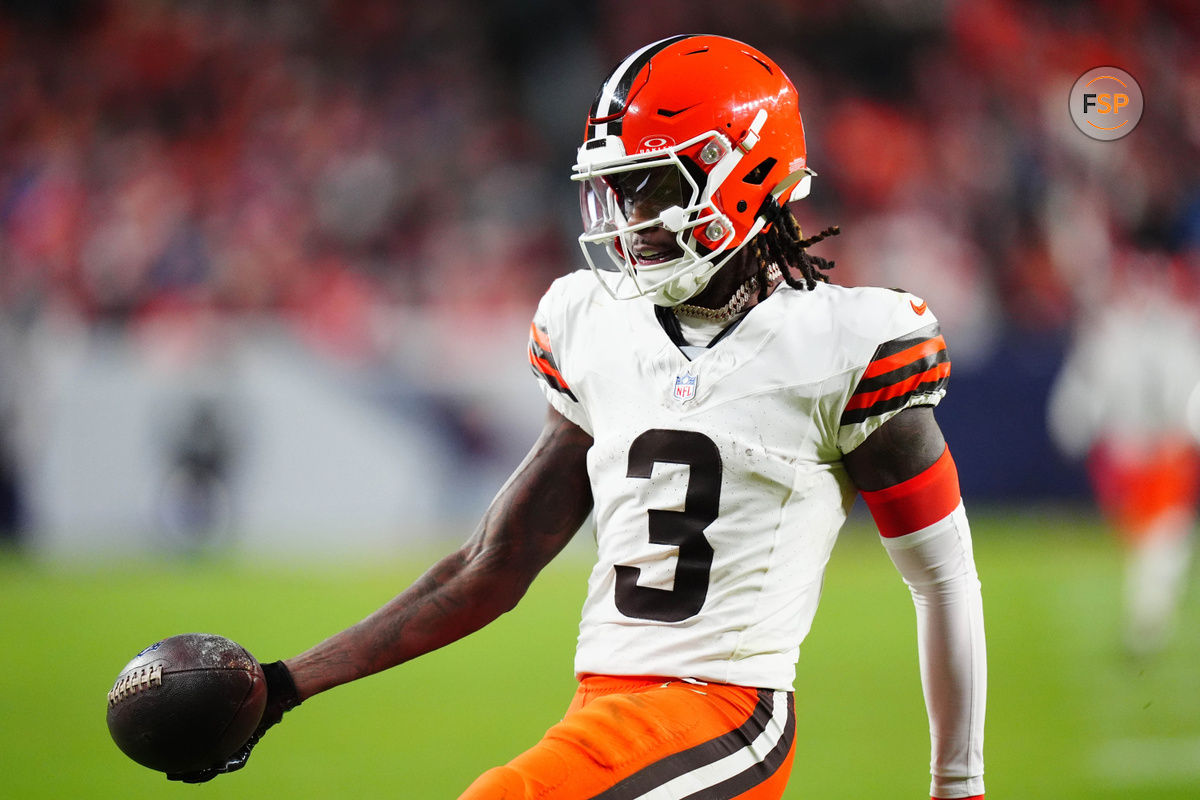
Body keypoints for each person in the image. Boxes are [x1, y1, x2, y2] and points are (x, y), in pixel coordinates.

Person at [171, 35, 986, 798]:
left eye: (656, 184)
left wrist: (959, 785)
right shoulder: (593, 323)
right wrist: (284, 685)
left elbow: (942, 577)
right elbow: (492, 561)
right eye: (620, 185)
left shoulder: (849, 341)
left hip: (729, 715)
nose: (630, 215)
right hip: (604, 712)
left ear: (745, 173)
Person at [1048, 252, 1200, 658]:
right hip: (1153, 447)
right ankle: (1149, 614)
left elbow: (1083, 396)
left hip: (1134, 450)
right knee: (1158, 538)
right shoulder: (1171, 331)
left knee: (1160, 538)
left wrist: (1074, 427)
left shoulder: (1114, 334)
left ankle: (1148, 617)